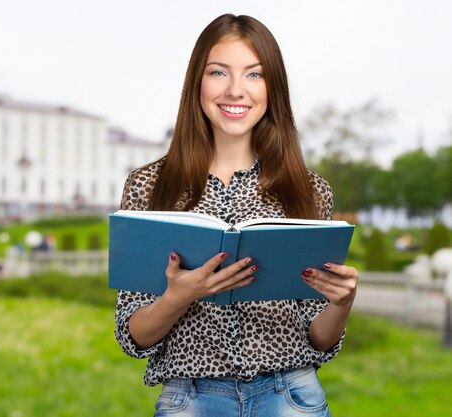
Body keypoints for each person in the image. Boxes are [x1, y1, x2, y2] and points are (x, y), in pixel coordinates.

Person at [114, 14, 358, 417]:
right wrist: (179, 296)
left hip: (291, 397)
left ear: (271, 88)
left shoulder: (309, 191)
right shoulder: (149, 187)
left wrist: (342, 303)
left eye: (254, 75)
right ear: (198, 82)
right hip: (189, 400)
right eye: (218, 72)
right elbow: (132, 336)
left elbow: (319, 338)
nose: (235, 90)